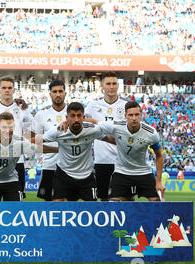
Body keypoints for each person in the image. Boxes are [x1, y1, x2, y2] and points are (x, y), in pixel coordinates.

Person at [0, 112, 57, 201]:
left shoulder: (20, 142)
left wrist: (59, 150)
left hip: (11, 182)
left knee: (17, 212)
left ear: (14, 127)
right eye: (4, 127)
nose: (8, 130)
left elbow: (38, 148)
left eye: (10, 127)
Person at [39, 102, 115, 202]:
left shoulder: (92, 130)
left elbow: (112, 139)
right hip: (63, 175)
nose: (76, 119)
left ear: (83, 117)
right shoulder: (58, 131)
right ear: (67, 117)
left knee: (92, 210)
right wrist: (54, 150)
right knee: (56, 208)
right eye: (72, 116)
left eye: (79, 116)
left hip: (87, 176)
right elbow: (32, 142)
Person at [96, 101, 165, 201]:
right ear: (125, 116)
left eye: (137, 114)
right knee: (112, 204)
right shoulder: (116, 126)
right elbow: (96, 124)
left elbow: (159, 155)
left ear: (141, 115)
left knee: (158, 202)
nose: (134, 118)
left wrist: (158, 181)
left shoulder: (151, 133)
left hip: (143, 172)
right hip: (122, 172)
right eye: (131, 115)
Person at [0, 75, 34, 199]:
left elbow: (33, 129)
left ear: (14, 90)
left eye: (10, 88)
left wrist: (22, 141)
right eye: (4, 88)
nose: (7, 90)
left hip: (16, 160)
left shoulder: (22, 108)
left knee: (15, 206)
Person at [84, 71, 128, 201]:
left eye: (114, 83)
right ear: (102, 86)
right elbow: (82, 123)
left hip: (123, 161)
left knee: (125, 199)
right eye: (108, 83)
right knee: (104, 200)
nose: (112, 86)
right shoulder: (93, 106)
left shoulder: (126, 106)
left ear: (118, 85)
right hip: (102, 161)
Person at [32, 79, 67, 201]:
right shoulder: (41, 114)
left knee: (70, 204)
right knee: (49, 204)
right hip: (50, 167)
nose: (58, 94)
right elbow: (32, 141)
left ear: (65, 93)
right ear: (50, 94)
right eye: (55, 91)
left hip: (71, 167)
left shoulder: (73, 113)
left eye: (60, 91)